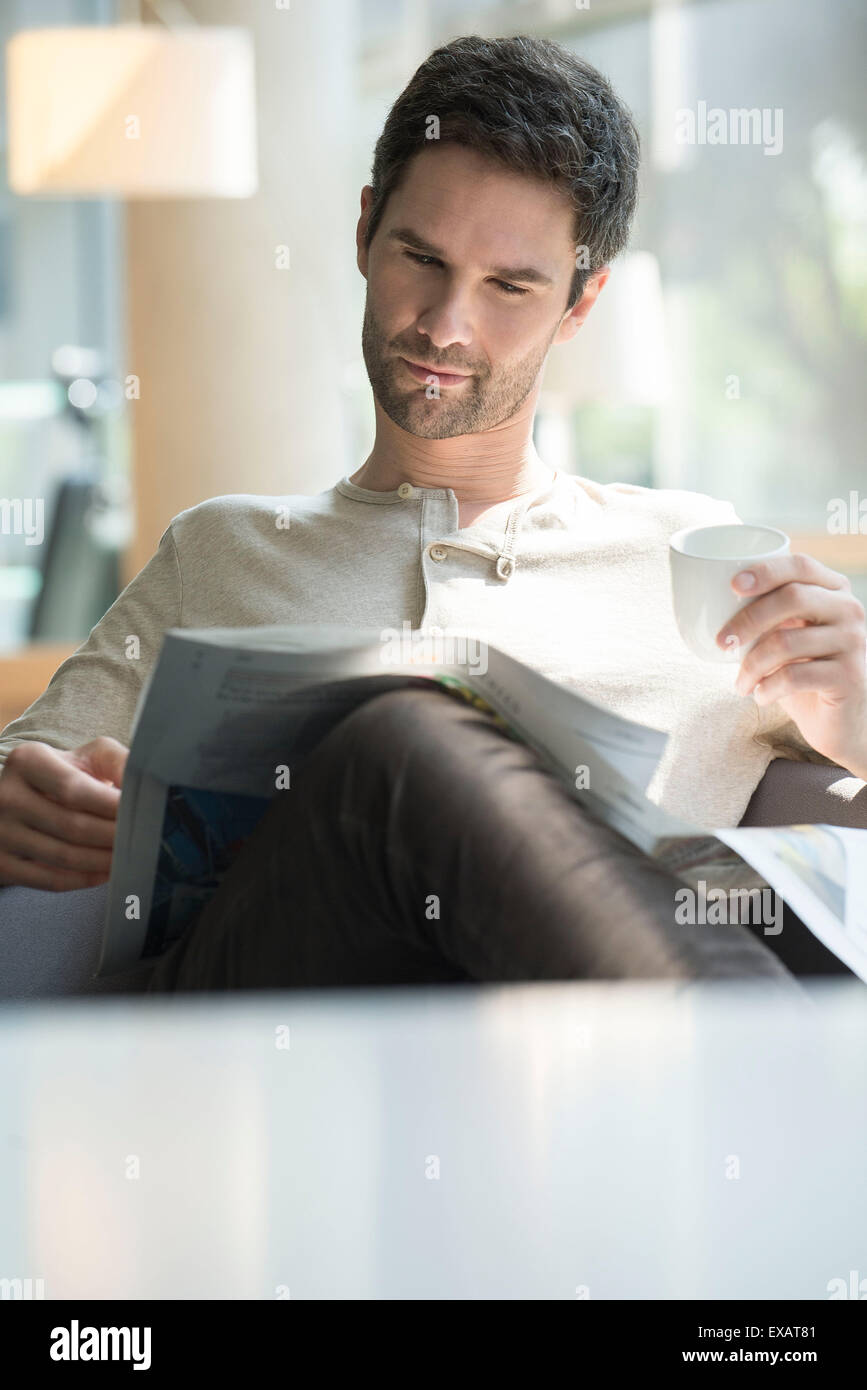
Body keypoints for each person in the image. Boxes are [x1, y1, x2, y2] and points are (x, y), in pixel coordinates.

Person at [0, 36, 864, 992]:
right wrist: (14, 800)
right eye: (422, 255)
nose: (447, 325)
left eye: (509, 286)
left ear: (580, 302)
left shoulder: (693, 564)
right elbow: (26, 764)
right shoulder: (221, 547)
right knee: (401, 738)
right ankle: (747, 1065)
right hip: (255, 1032)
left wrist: (857, 716)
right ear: (365, 230)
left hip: (562, 1065)